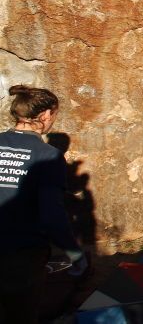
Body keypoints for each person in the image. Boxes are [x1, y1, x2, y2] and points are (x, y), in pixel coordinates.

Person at [0, 85, 88, 324]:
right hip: (20, 257)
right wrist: (75, 254)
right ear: (46, 115)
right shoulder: (47, 155)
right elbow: (52, 215)